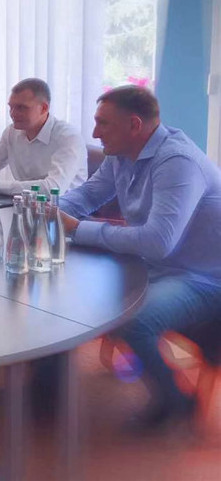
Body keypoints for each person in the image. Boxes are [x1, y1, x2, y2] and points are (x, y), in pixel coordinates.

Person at [58, 86, 221, 430]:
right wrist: (45, 211)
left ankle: (177, 400)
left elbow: (157, 242)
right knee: (67, 283)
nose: (95, 133)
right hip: (158, 265)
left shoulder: (177, 163)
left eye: (103, 123)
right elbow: (89, 194)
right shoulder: (122, 152)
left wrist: (78, 228)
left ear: (134, 125)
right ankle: (47, 386)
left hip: (203, 277)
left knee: (135, 320)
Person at [0, 78, 87, 194]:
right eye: (11, 107)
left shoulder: (68, 137)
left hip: (65, 210)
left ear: (44, 108)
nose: (13, 114)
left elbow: (53, 188)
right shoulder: (12, 132)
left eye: (21, 108)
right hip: (26, 205)